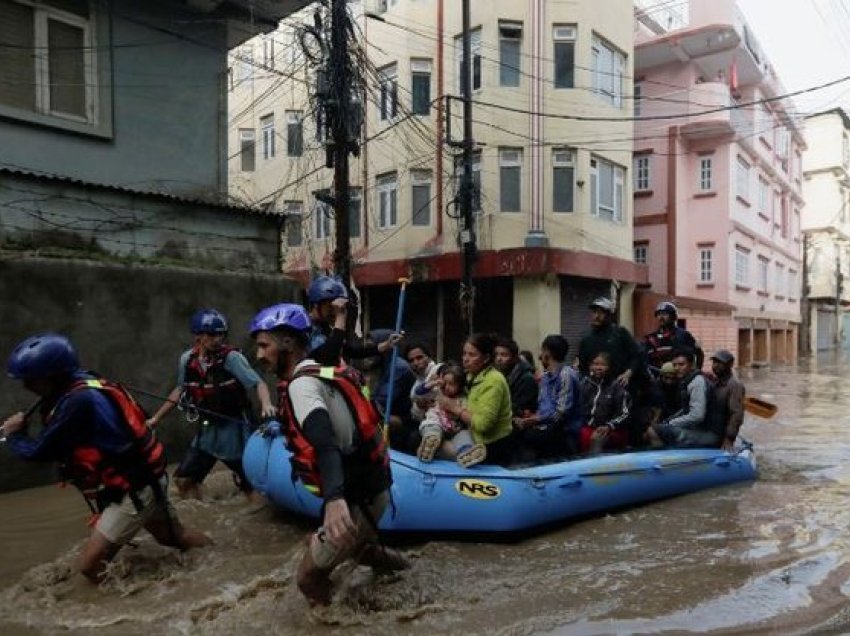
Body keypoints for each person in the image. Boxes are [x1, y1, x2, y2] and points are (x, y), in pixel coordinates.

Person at [1, 333, 210, 583]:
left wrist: (14, 435)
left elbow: (39, 452)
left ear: (52, 375)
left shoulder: (78, 402)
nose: (26, 386)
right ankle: (218, 559)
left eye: (31, 380)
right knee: (173, 536)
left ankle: (135, 611)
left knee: (89, 566)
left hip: (134, 488)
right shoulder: (86, 382)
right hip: (143, 480)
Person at [250, 303, 408, 606]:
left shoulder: (301, 386)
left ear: (288, 343)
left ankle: (351, 622)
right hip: (371, 487)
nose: (258, 355)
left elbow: (324, 442)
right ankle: (406, 573)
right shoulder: (315, 366)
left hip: (355, 496)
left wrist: (335, 499)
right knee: (366, 551)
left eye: (263, 345)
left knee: (308, 579)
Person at [146, 308, 275, 500]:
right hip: (208, 432)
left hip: (235, 431)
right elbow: (180, 390)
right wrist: (156, 418)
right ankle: (204, 507)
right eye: (213, 335)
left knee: (252, 487)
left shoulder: (232, 358)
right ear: (198, 336)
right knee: (184, 481)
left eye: (221, 334)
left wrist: (266, 404)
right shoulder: (187, 360)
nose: (218, 339)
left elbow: (258, 383)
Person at [438, 333, 514, 466]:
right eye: (464, 354)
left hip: (491, 446)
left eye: (472, 355)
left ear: (486, 358)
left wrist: (454, 408)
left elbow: (483, 425)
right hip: (470, 435)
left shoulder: (494, 380)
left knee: (437, 446)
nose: (465, 359)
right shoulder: (469, 376)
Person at [306, 275, 402, 366]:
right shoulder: (305, 326)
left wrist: (385, 345)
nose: (335, 312)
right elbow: (329, 356)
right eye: (331, 307)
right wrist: (340, 316)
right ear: (316, 305)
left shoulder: (325, 327)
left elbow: (350, 351)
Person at [513, 335, 582, 460]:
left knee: (525, 438)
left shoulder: (566, 375)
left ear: (546, 353)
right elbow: (543, 408)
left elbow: (560, 414)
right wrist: (530, 416)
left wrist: (537, 420)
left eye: (542, 351)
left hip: (564, 431)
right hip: (545, 426)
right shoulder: (545, 377)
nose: (540, 356)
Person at [645, 347, 722, 449]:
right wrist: (669, 420)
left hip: (708, 434)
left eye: (681, 365)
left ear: (691, 365)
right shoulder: (687, 381)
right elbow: (686, 409)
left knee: (653, 431)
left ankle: (664, 461)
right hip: (700, 430)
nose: (677, 368)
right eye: (675, 365)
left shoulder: (697, 382)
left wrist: (671, 423)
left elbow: (697, 416)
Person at [416, 363, 486, 467]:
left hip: (455, 429)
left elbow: (467, 414)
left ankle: (467, 454)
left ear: (460, 386)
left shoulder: (463, 398)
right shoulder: (438, 391)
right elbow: (419, 392)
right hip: (436, 422)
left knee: (464, 437)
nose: (447, 387)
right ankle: (429, 444)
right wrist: (433, 383)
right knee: (432, 427)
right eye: (445, 383)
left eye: (452, 384)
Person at [367, 329, 417, 453]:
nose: (370, 353)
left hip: (405, 419)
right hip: (388, 412)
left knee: (369, 417)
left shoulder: (398, 367)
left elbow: (382, 399)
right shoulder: (383, 366)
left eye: (372, 348)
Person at [577, 297, 642, 387]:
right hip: (595, 389)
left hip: (620, 387)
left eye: (600, 312)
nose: (596, 316)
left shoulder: (620, 333)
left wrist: (628, 373)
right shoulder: (586, 339)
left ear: (609, 315)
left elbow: (637, 355)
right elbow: (582, 367)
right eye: (594, 312)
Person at [578, 352, 631, 455]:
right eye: (595, 364)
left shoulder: (617, 387)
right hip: (588, 426)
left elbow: (625, 414)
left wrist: (609, 426)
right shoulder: (585, 384)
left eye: (602, 365)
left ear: (609, 367)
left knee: (596, 438)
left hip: (611, 429)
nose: (598, 367)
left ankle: (593, 468)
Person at [642, 301, 701, 372]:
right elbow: (644, 359)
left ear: (673, 316)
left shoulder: (683, 335)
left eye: (664, 314)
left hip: (679, 376)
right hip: (659, 378)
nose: (661, 317)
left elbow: (698, 354)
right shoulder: (651, 337)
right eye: (659, 314)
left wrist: (695, 372)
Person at [707, 350, 745, 451]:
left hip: (720, 434)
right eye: (714, 362)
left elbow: (736, 414)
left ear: (730, 364)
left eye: (720, 363)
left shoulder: (734, 385)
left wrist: (729, 439)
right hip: (711, 428)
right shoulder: (716, 382)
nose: (715, 366)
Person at [494, 337, 538, 418]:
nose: (498, 359)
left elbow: (520, 409)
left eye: (504, 355)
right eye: (496, 354)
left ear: (514, 358)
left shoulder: (526, 378)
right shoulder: (498, 374)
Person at [405, 342, 442, 423]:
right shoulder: (415, 386)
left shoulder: (440, 369)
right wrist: (419, 406)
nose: (415, 363)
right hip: (430, 423)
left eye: (419, 358)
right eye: (411, 360)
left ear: (429, 357)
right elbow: (415, 416)